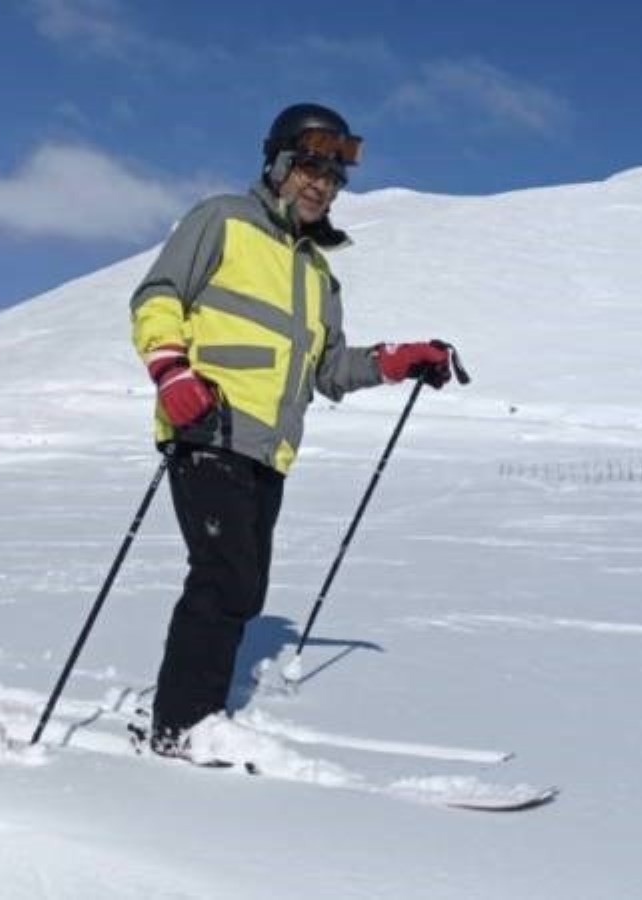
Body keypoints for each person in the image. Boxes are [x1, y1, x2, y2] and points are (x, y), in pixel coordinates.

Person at [128, 103, 458, 758]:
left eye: (332, 178)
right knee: (223, 576)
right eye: (310, 169)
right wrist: (171, 371)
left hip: (268, 449)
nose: (321, 186)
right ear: (279, 165)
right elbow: (157, 295)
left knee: (244, 588)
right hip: (207, 425)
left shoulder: (318, 275)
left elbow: (328, 370)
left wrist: (395, 360)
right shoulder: (222, 220)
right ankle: (180, 728)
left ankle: (196, 716)